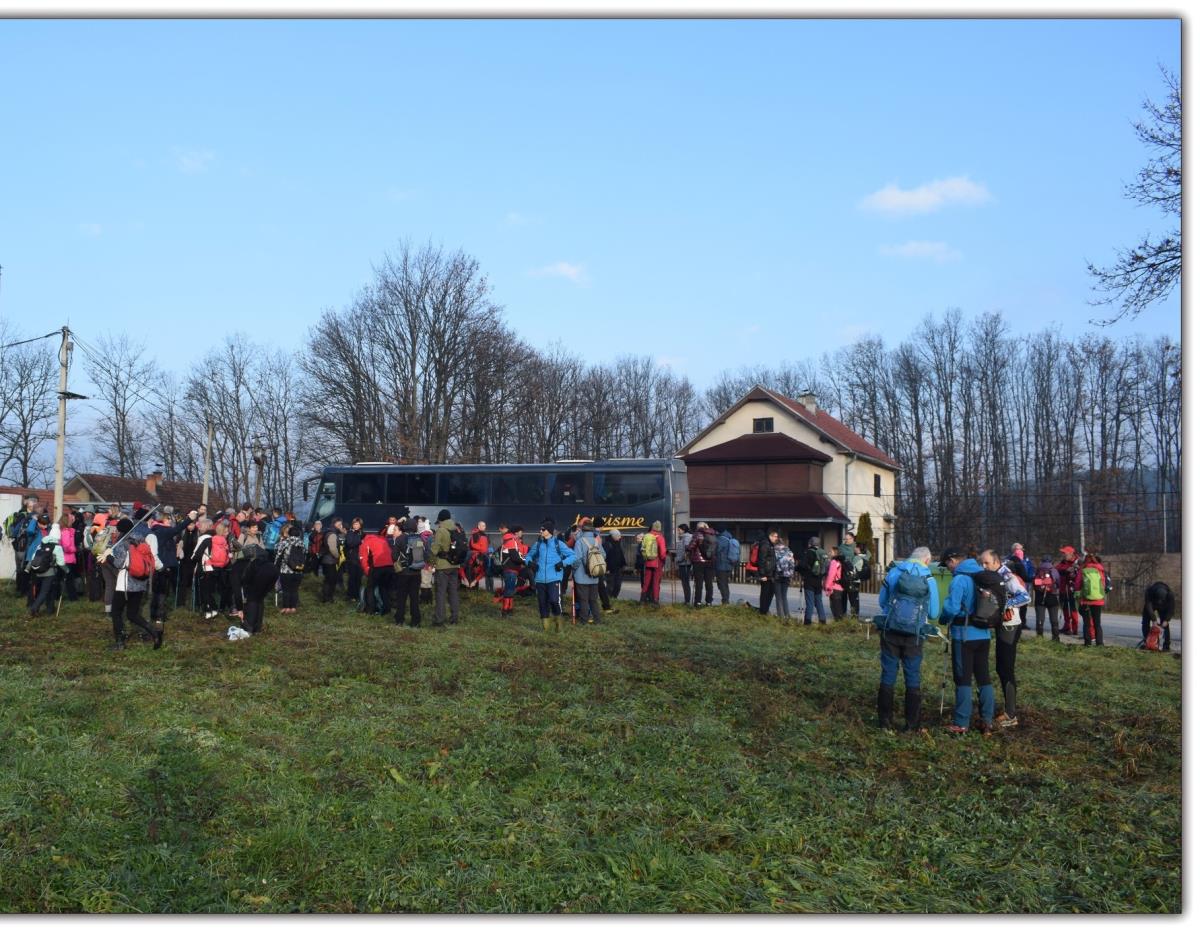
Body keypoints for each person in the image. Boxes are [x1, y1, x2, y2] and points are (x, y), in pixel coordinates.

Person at [875, 546, 941, 732]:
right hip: (915, 635)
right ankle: (912, 724)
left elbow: (882, 602)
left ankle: (885, 722)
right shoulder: (928, 577)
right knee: (912, 675)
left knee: (888, 673)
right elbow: (934, 612)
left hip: (891, 631)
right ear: (927, 560)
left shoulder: (895, 571)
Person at [939, 547, 997, 736]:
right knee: (983, 677)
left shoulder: (959, 580)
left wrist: (943, 617)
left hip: (964, 636)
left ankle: (961, 722)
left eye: (947, 564)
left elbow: (952, 608)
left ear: (953, 560)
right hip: (984, 635)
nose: (948, 568)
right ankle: (987, 720)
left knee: (963, 678)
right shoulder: (983, 576)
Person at [108, 518, 162, 649]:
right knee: (132, 614)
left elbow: (119, 564)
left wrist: (109, 556)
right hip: (140, 581)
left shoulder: (121, 543)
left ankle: (120, 642)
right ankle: (154, 633)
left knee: (116, 611)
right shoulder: (141, 539)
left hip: (125, 583)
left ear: (120, 529)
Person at [985, 549, 1024, 728]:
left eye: (986, 563)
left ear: (995, 562)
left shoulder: (1007, 576)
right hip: (1001, 625)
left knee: (1005, 668)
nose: (983, 566)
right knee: (1001, 667)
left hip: (1010, 625)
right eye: (981, 563)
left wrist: (1003, 605)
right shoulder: (991, 576)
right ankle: (1008, 710)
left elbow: (1024, 596)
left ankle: (1011, 715)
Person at [525, 520, 576, 632]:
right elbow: (528, 556)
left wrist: (562, 563)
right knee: (542, 603)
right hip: (539, 579)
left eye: (543, 529)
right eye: (541, 529)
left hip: (554, 578)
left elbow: (573, 556)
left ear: (549, 531)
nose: (541, 531)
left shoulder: (559, 544)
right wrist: (530, 563)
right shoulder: (538, 544)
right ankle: (546, 629)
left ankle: (559, 625)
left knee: (554, 600)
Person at [27, 515, 65, 617]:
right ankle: (34, 608)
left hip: (38, 570)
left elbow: (34, 556)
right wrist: (67, 570)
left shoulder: (41, 544)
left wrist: (29, 567)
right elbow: (61, 563)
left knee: (41, 590)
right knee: (45, 591)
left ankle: (50, 608)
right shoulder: (57, 547)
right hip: (50, 572)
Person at [390, 518, 425, 627]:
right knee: (414, 598)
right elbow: (423, 555)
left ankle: (399, 620)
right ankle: (415, 621)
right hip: (416, 573)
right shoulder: (419, 539)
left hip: (403, 573)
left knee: (401, 598)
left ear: (405, 527)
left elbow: (394, 556)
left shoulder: (400, 539)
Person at [239, 544, 280, 635]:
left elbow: (247, 578)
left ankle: (249, 626)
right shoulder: (268, 563)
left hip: (257, 583)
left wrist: (245, 585)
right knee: (260, 600)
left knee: (252, 601)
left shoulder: (254, 563)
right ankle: (257, 628)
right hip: (271, 576)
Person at [432, 508, 462, 627]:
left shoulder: (441, 530)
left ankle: (439, 619)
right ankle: (454, 617)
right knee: (453, 592)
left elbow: (435, 549)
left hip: (442, 566)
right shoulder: (457, 528)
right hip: (455, 565)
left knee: (440, 593)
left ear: (440, 519)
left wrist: (430, 561)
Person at [572, 518, 605, 624]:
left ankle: (584, 621)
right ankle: (598, 620)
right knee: (593, 600)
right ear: (592, 530)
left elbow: (577, 559)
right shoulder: (596, 541)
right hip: (594, 576)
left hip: (581, 577)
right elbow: (603, 555)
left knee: (583, 600)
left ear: (583, 530)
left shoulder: (579, 542)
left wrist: (573, 569)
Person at [358, 524, 394, 617]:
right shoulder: (382, 540)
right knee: (384, 588)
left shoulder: (365, 543)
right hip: (390, 566)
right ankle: (387, 609)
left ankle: (371, 610)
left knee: (370, 588)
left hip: (378, 567)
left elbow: (363, 560)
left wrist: (368, 571)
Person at [1076, 551, 1108, 646]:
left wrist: (1079, 595)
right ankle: (1099, 642)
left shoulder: (1083, 570)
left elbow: (1077, 585)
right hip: (1098, 600)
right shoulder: (1100, 569)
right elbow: (1103, 584)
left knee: (1087, 623)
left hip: (1086, 600)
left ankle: (1087, 642)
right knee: (1097, 622)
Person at [274, 522, 305, 614]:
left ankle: (286, 607)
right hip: (298, 570)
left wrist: (275, 567)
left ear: (289, 533)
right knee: (294, 590)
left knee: (286, 589)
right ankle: (293, 607)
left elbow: (278, 554)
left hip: (286, 570)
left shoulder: (285, 542)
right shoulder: (302, 543)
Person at [1031, 556, 1062, 641]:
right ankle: (1055, 638)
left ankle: (1039, 637)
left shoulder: (1037, 570)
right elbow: (1059, 583)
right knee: (1054, 618)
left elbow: (1033, 583)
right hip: (1052, 596)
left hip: (1039, 597)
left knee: (1040, 618)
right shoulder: (1054, 570)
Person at [799, 536, 828, 625]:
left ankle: (807, 621)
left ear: (810, 543)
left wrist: (798, 569)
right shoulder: (823, 553)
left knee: (810, 602)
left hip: (809, 580)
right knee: (819, 601)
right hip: (819, 581)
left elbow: (802, 566)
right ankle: (822, 620)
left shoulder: (808, 552)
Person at [687, 522, 716, 607]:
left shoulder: (697, 534)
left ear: (699, 527)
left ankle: (698, 602)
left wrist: (687, 547)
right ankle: (709, 602)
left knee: (699, 583)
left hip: (698, 562)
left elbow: (691, 546)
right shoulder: (713, 534)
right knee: (709, 583)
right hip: (710, 561)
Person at [1007, 543, 1035, 630]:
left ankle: (1023, 623)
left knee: (1023, 605)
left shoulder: (1026, 559)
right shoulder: (1009, 559)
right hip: (1012, 585)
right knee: (1012, 603)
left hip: (1023, 584)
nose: (1020, 550)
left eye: (1021, 549)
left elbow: (1031, 569)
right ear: (1013, 550)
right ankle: (1010, 622)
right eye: (1018, 549)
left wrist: (1031, 577)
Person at [1141, 581, 1175, 651]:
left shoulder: (1170, 595)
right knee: (1145, 622)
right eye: (1158, 600)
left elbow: (1171, 609)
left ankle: (1166, 645)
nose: (1159, 602)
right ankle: (1148, 642)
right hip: (1151, 604)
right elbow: (1148, 606)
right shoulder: (1149, 591)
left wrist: (1167, 620)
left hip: (1163, 606)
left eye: (1161, 600)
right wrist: (1153, 619)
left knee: (1165, 625)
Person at [639, 521, 667, 606]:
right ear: (659, 528)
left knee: (646, 582)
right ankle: (655, 601)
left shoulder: (647, 536)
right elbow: (662, 552)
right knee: (656, 582)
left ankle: (642, 600)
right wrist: (664, 559)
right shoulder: (660, 537)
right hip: (657, 563)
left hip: (648, 562)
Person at [1055, 546, 1081, 636]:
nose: (1063, 555)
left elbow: (1077, 575)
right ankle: (1067, 627)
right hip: (1063, 588)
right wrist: (1065, 570)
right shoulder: (1063, 562)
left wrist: (1071, 571)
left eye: (1065, 553)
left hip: (1071, 589)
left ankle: (1074, 628)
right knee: (1065, 608)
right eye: (1063, 553)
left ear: (1071, 554)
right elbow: (1056, 569)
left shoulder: (1077, 562)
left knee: (1073, 609)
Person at [770, 532, 795, 621]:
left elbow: (772, 564)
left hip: (777, 575)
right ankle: (787, 615)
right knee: (784, 596)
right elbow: (792, 564)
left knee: (778, 597)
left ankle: (780, 616)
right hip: (787, 575)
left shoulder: (774, 551)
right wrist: (791, 575)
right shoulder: (789, 551)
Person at [319, 518, 345, 603]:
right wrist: (337, 556)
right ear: (335, 524)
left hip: (327, 560)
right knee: (331, 580)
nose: (341, 526)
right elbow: (333, 549)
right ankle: (328, 598)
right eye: (340, 524)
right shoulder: (332, 534)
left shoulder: (329, 532)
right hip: (330, 560)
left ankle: (327, 597)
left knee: (328, 579)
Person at [754, 530, 780, 615]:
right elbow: (761, 560)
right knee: (765, 593)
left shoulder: (771, 545)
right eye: (775, 536)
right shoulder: (765, 544)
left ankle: (765, 610)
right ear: (771, 536)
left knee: (770, 592)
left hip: (771, 573)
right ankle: (763, 611)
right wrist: (762, 574)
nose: (777, 538)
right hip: (766, 573)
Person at [713, 526, 738, 606]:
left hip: (721, 565)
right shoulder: (729, 537)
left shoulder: (721, 539)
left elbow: (716, 550)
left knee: (722, 583)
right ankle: (726, 600)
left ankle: (725, 601)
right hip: (729, 565)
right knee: (725, 583)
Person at [824, 545, 849, 621]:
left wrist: (827, 586)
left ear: (835, 553)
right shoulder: (841, 561)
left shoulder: (834, 562)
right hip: (841, 586)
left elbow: (831, 575)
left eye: (831, 552)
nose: (829, 553)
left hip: (834, 587)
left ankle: (838, 624)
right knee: (840, 607)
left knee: (835, 607)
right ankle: (841, 623)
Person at [343, 517, 364, 606]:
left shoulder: (362, 533)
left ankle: (357, 595)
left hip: (360, 558)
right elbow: (350, 543)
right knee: (352, 577)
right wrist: (360, 541)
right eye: (355, 524)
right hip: (352, 558)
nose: (356, 525)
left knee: (359, 578)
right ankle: (351, 595)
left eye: (358, 524)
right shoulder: (350, 533)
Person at [603, 529, 626, 605]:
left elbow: (621, 555)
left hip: (618, 568)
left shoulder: (618, 543)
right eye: (618, 536)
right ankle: (607, 601)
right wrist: (606, 568)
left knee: (618, 585)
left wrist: (623, 564)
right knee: (610, 586)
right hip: (610, 569)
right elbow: (604, 557)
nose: (620, 537)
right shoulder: (607, 544)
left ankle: (614, 599)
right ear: (613, 536)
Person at [674, 524, 693, 606]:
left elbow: (687, 551)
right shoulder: (682, 537)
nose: (678, 531)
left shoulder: (687, 537)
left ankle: (687, 601)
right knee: (684, 582)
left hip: (685, 563)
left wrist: (679, 559)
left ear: (683, 530)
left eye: (679, 530)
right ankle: (686, 600)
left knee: (685, 583)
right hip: (682, 563)